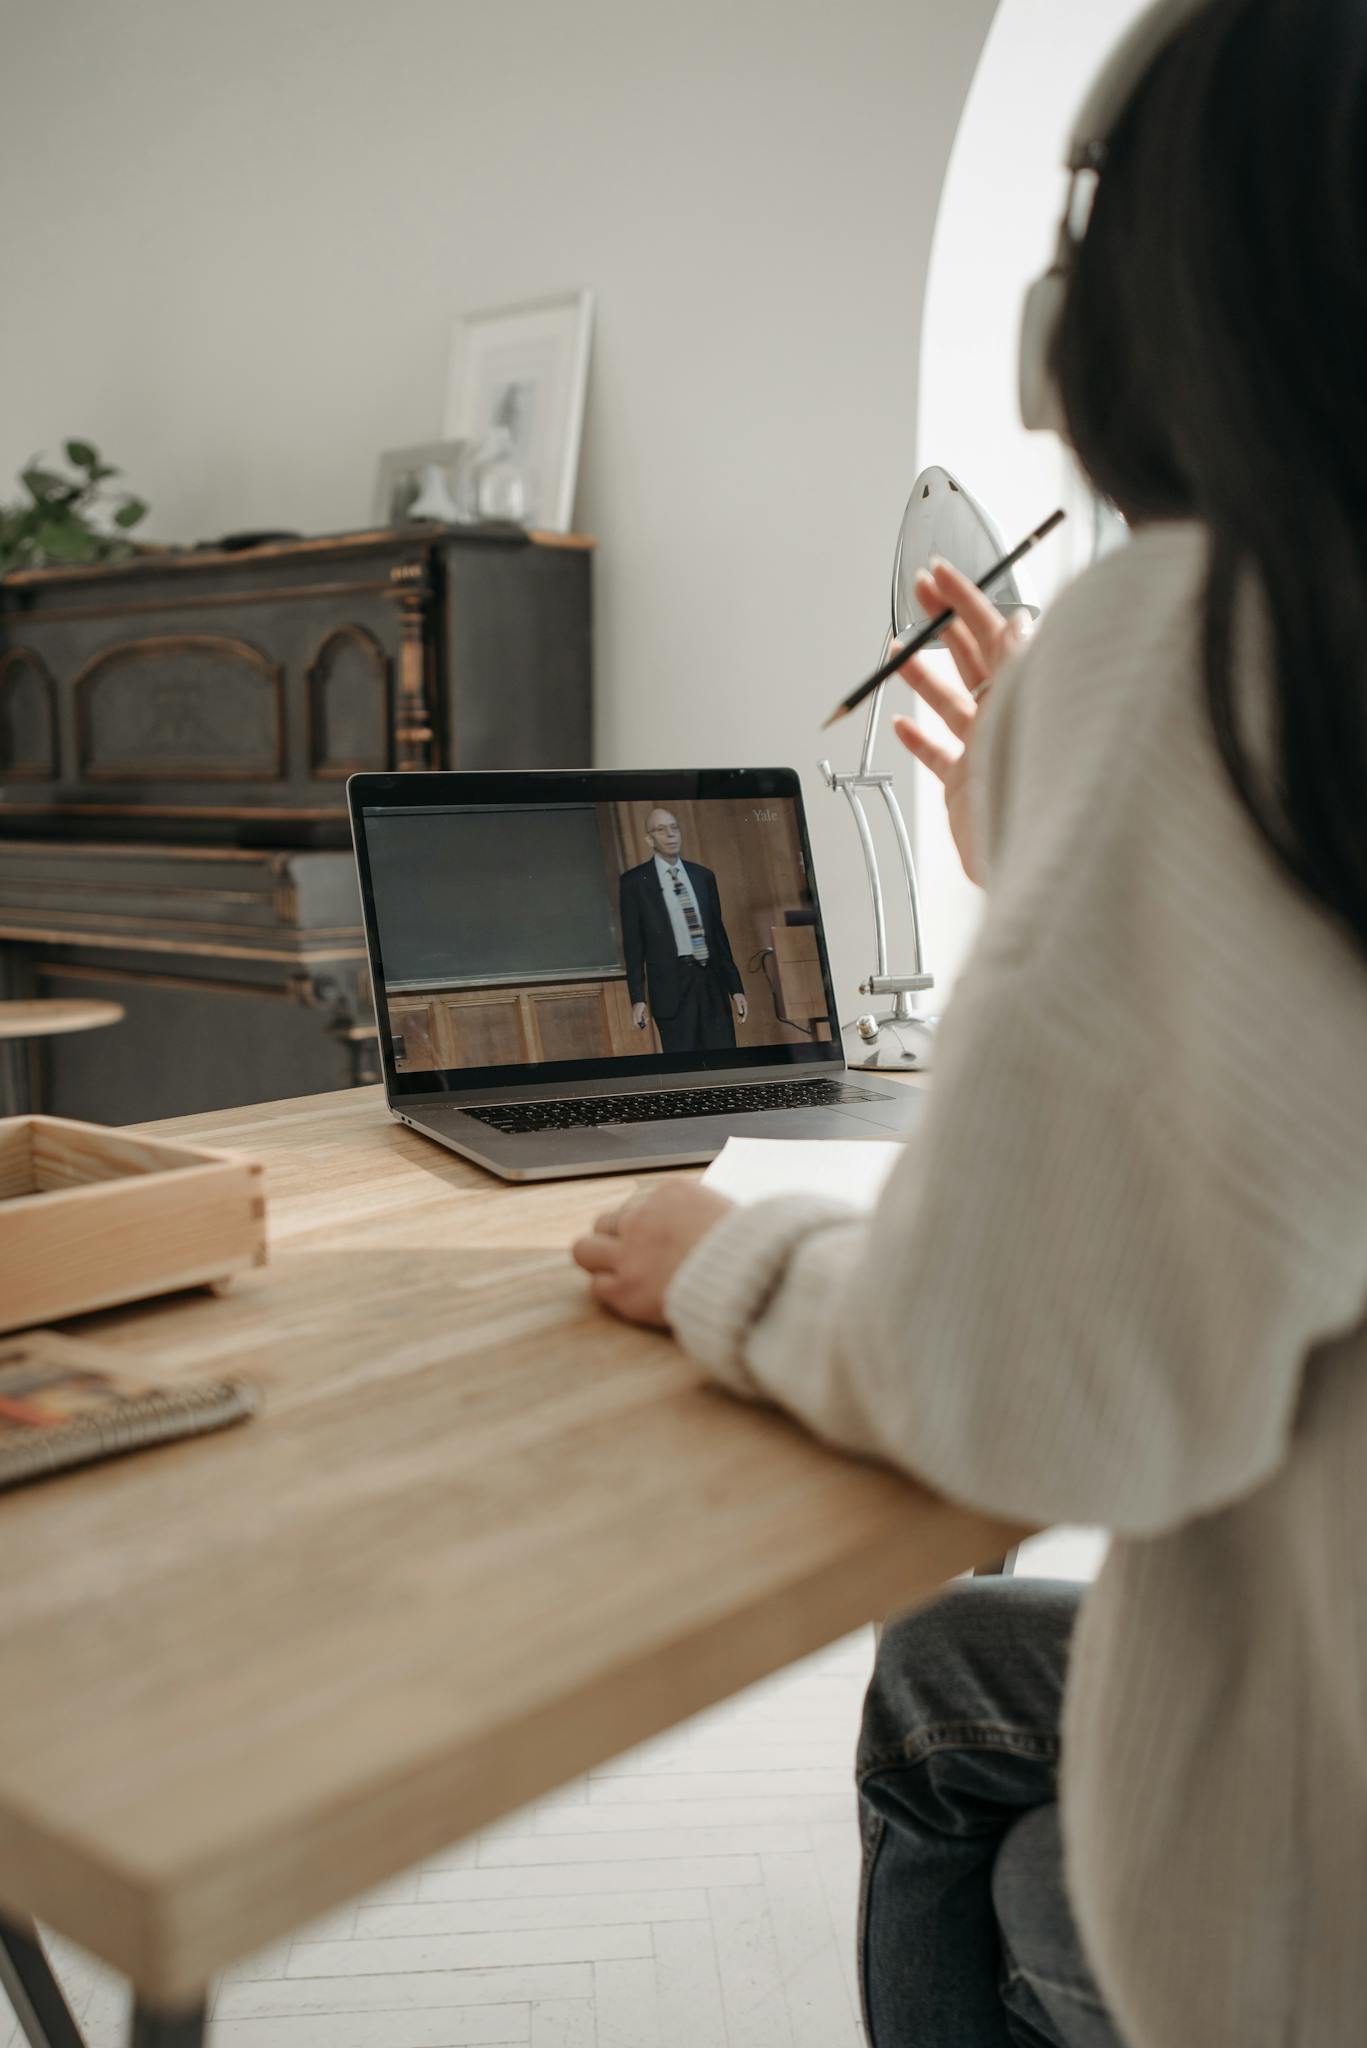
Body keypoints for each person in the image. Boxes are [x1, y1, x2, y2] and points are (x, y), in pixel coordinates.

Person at [572, 2, 1367, 2043]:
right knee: (953, 1671)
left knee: (981, 1763)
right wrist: (1052, 826)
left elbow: (1023, 1381)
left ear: (1116, 302)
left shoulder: (1204, 632)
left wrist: (721, 1268)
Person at [618, 808, 748, 1052]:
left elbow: (719, 938)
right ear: (649, 839)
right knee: (684, 1068)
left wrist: (736, 988)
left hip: (711, 984)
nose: (670, 834)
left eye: (674, 827)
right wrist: (638, 998)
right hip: (671, 989)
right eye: (661, 829)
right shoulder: (634, 882)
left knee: (725, 1061)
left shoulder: (703, 876)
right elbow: (633, 946)